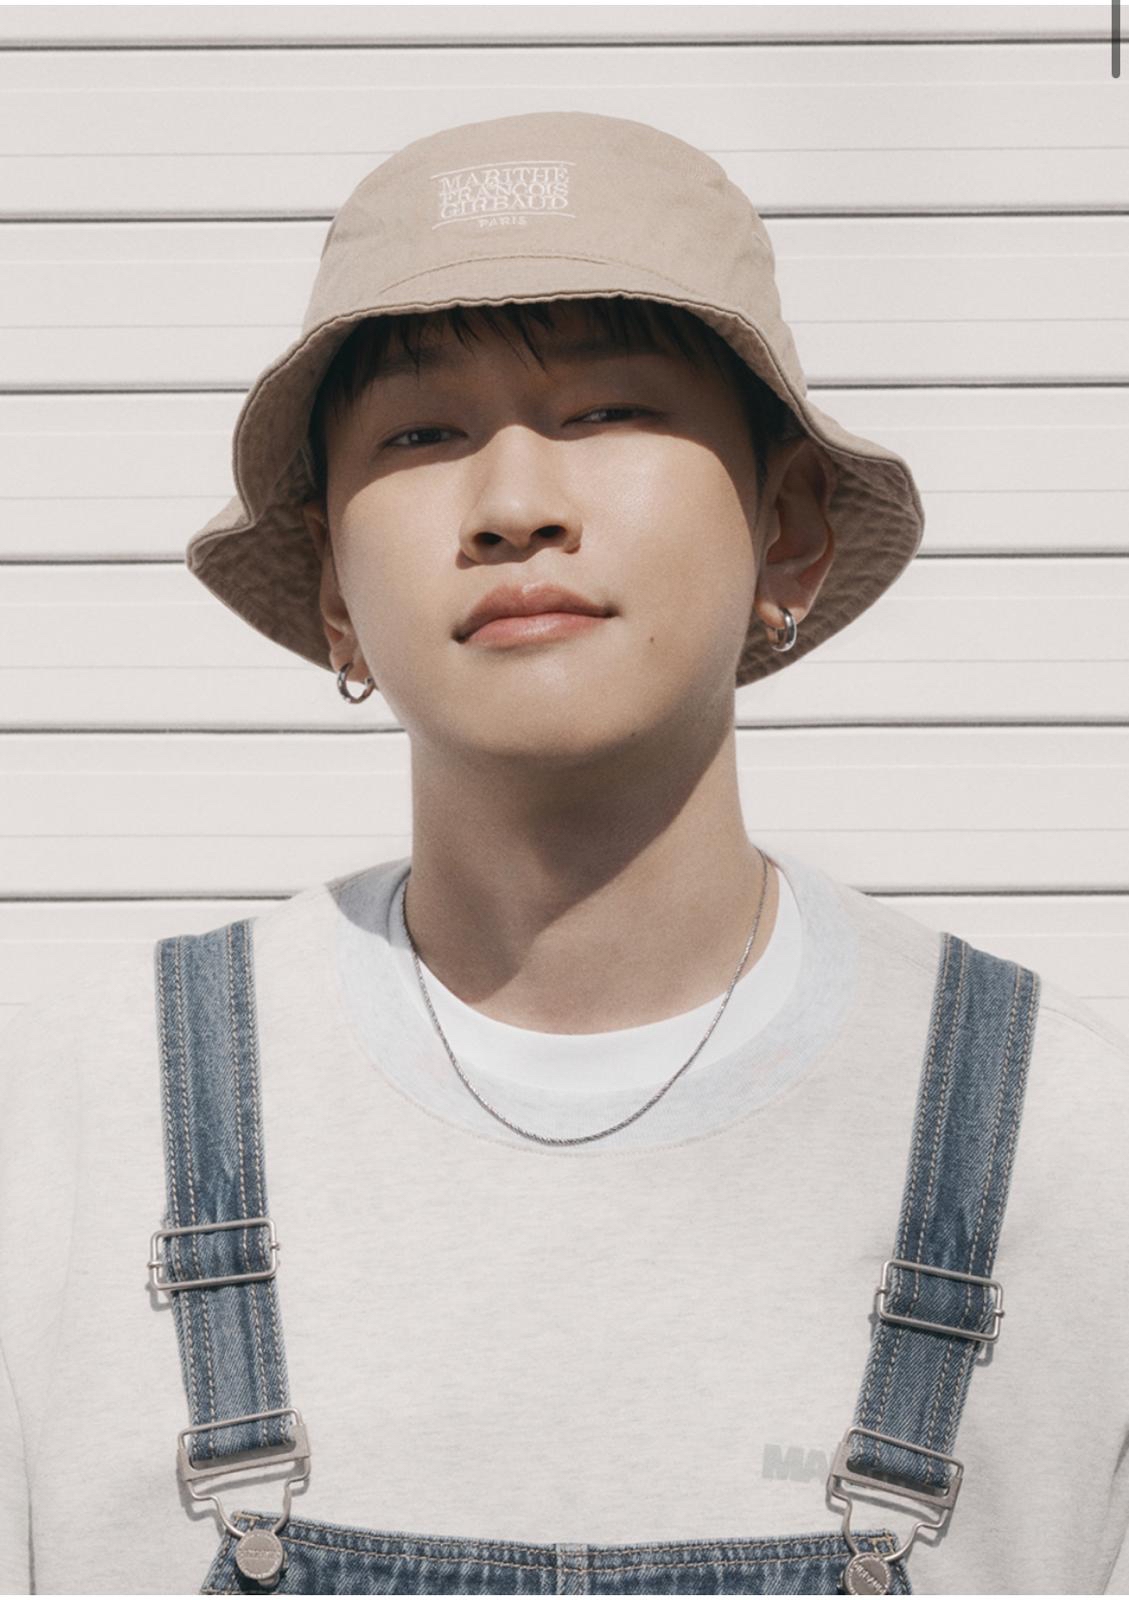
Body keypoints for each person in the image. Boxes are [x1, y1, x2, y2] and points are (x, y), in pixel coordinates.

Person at [2, 110, 1127, 1597]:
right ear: (333, 586)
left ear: (787, 529)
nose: (517, 505)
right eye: (420, 435)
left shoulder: (1072, 1146)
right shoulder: (74, 1139)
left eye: (606, 410)